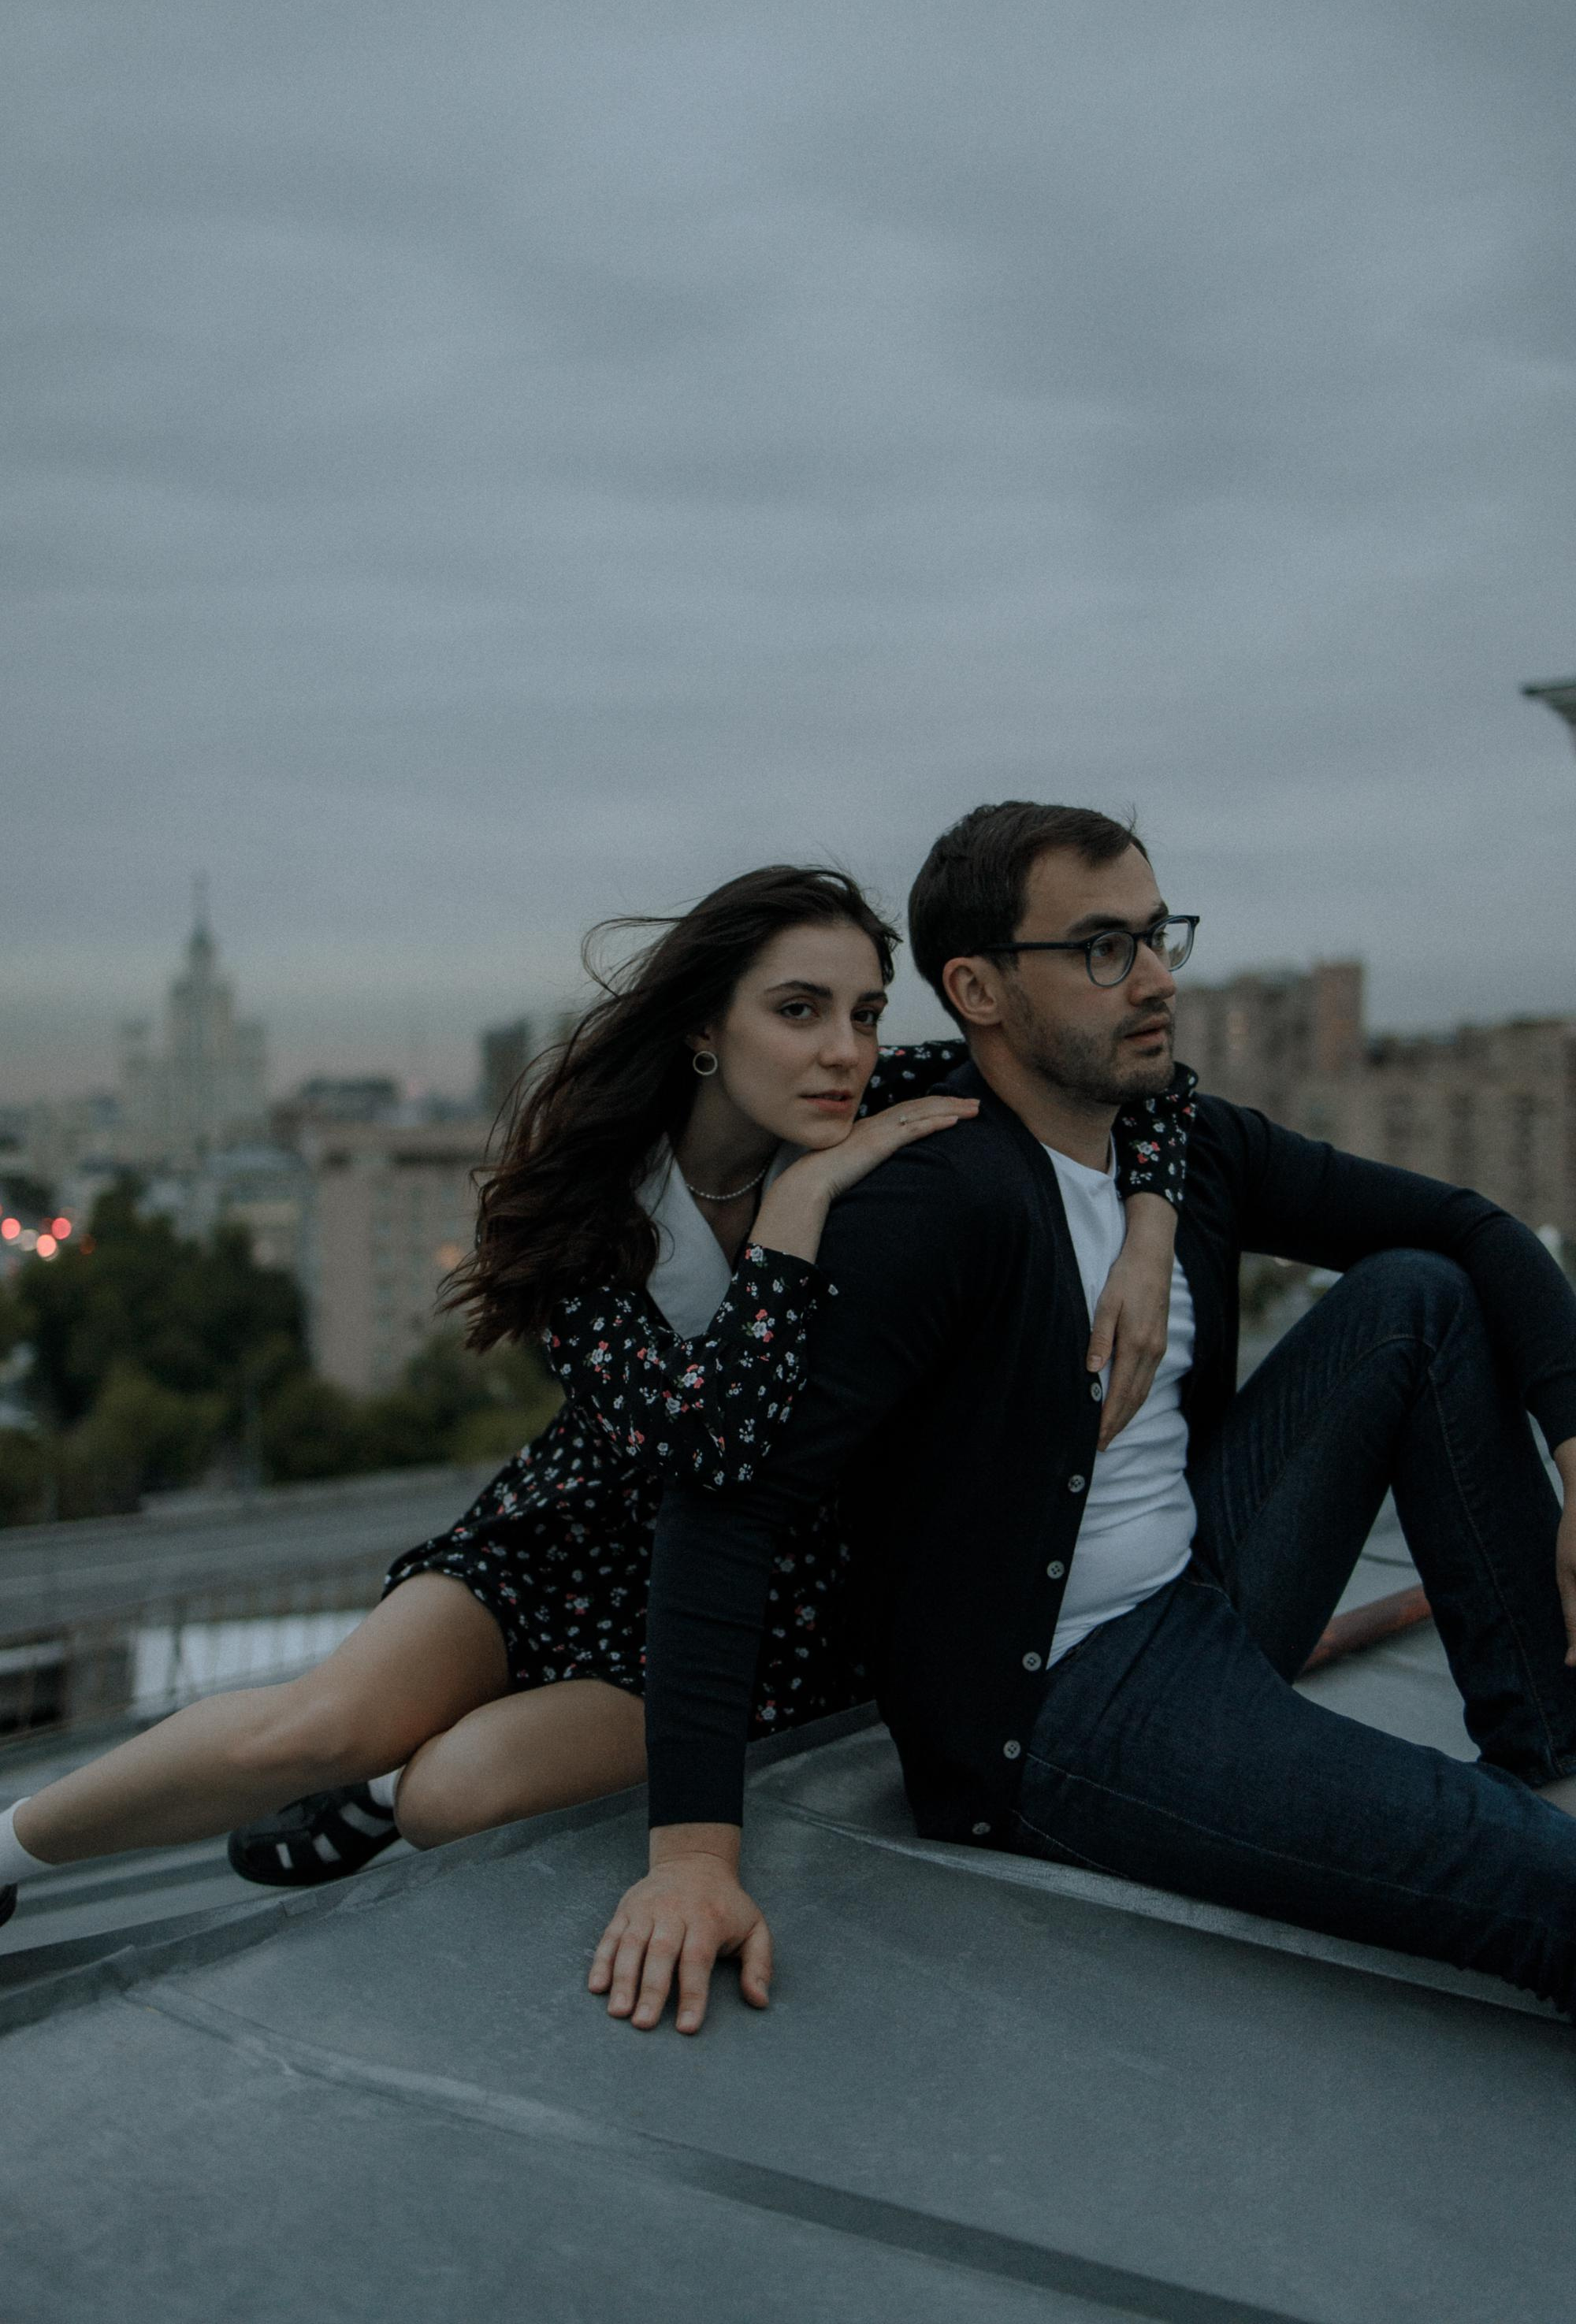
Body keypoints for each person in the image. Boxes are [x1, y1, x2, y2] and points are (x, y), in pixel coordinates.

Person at [0, 863, 1193, 1929]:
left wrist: (1147, 1237)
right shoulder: (593, 1206)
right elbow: (704, 1437)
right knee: (314, 1725)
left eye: (867, 1013)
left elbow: (1155, 1092)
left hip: (759, 1602)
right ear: (704, 1029)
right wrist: (795, 1213)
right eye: (799, 1010)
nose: (846, 1050)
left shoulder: (892, 1100)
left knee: (445, 1799)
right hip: (566, 1532)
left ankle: (381, 1788)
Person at [593, 801, 1576, 2036]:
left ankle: (1552, 1747)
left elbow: (1475, 1228)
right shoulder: (933, 1201)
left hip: (1208, 1583)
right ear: (979, 990)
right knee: (1540, 1886)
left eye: (1159, 936)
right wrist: (693, 1857)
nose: (1157, 978)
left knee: (1417, 1298)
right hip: (1065, 1704)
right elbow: (724, 1505)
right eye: (1105, 948)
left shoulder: (1182, 1148)